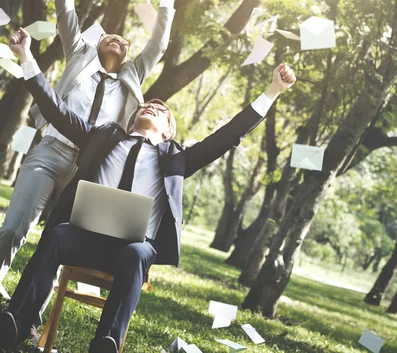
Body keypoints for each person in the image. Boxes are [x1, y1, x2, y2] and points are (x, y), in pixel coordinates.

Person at [0, 28, 295, 353]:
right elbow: (55, 108)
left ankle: (105, 343)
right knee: (56, 235)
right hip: (83, 239)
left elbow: (228, 136)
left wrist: (273, 90)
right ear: (131, 121)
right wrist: (26, 56)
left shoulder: (178, 159)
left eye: (161, 109)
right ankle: (16, 324)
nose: (152, 106)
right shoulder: (104, 136)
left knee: (138, 252)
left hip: (129, 252)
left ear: (169, 131)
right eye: (147, 105)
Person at [0, 0, 175, 302]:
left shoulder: (133, 75)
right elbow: (66, 13)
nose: (116, 39)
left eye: (123, 41)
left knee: (59, 241)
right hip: (52, 152)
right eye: (109, 36)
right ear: (96, 43)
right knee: (15, 226)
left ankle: (31, 315)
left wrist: (166, 5)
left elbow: (158, 45)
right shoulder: (80, 54)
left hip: (89, 171)